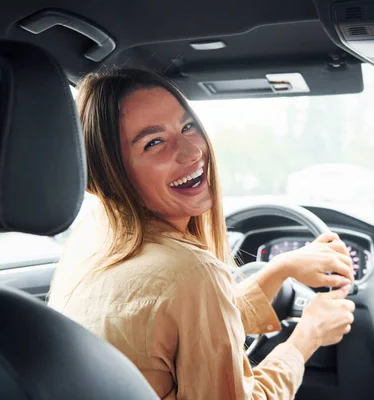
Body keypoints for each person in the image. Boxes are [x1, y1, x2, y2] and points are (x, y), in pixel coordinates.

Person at [48, 68, 355, 400]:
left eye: (187, 126)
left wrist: (280, 269)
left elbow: (179, 325)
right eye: (154, 142)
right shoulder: (193, 272)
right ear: (111, 174)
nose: (191, 151)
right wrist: (308, 335)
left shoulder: (91, 238)